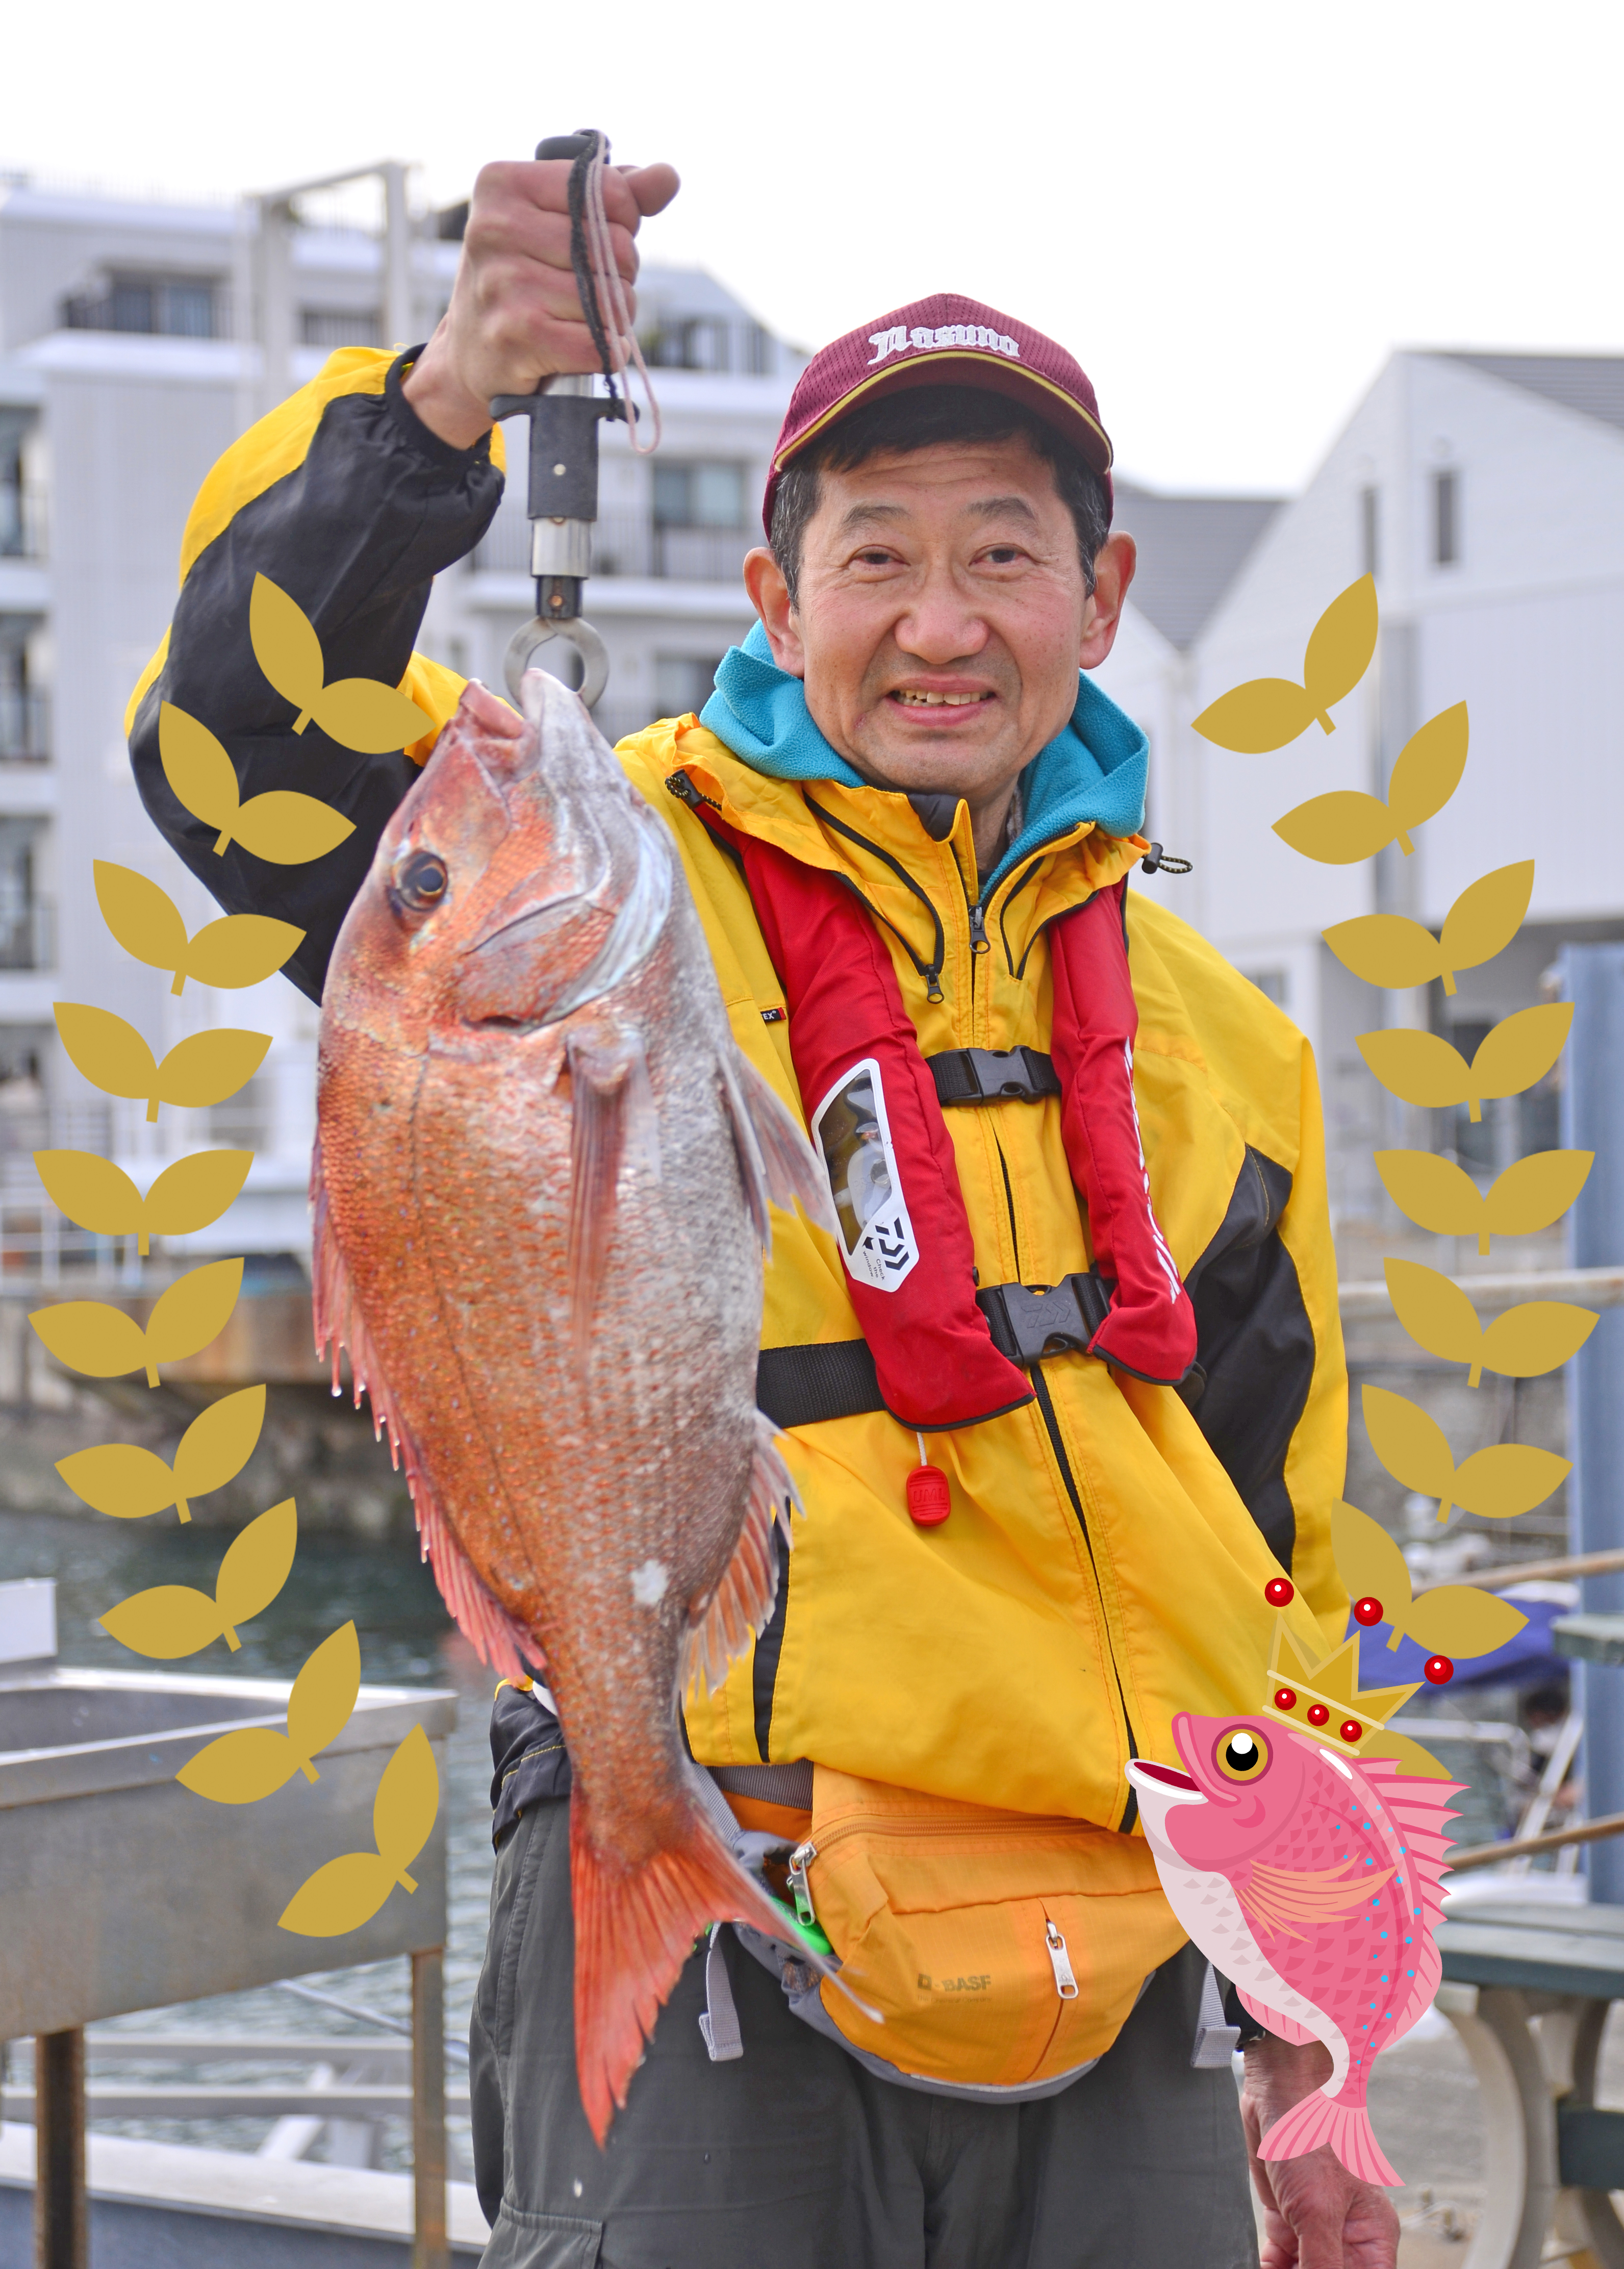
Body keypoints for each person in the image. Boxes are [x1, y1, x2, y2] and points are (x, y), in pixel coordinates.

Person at [126, 156, 1399, 2269]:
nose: (937, 617)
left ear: (1100, 597)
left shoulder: (1225, 1039)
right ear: (767, 590)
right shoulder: (595, 871)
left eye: (1003, 552)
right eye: (874, 553)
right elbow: (238, 739)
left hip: (1121, 1944)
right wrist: (448, 398)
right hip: (719, 1860)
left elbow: (1292, 1535)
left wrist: (1329, 2020)